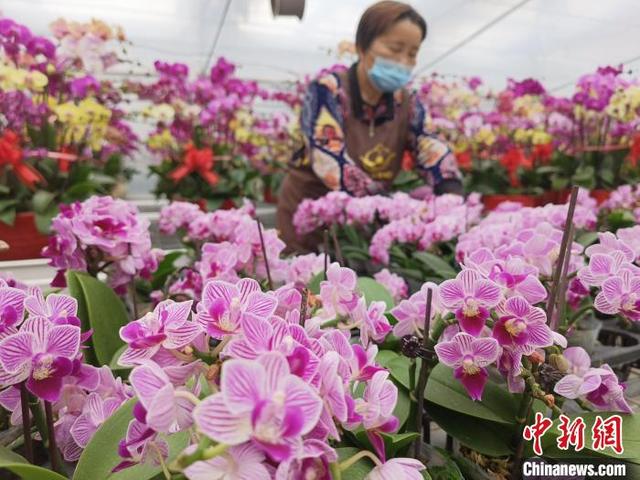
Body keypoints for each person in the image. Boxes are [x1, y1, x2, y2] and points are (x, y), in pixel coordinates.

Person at [277, 0, 463, 253]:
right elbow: (328, 158)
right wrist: (389, 206)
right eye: (395, 48)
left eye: (412, 53)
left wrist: (449, 193)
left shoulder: (406, 102)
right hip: (311, 216)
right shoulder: (328, 91)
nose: (403, 61)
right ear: (363, 47)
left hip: (363, 226)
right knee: (307, 285)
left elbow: (427, 144)